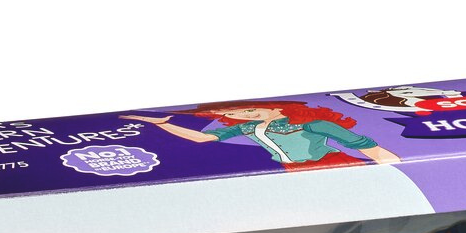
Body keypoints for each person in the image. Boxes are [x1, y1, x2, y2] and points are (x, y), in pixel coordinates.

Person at [123, 101, 399, 169]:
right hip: (290, 171)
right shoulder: (246, 128)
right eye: (239, 114)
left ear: (276, 107)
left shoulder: (313, 123)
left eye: (249, 110)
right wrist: (161, 124)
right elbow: (202, 138)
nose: (246, 115)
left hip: (332, 165)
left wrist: (397, 171)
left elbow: (365, 146)